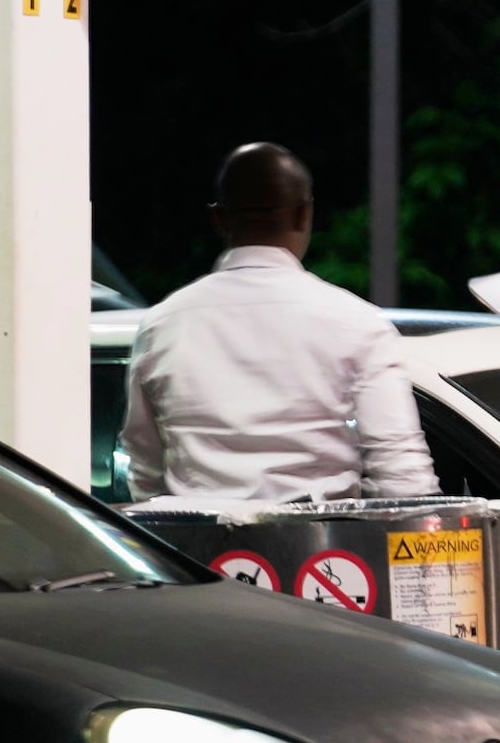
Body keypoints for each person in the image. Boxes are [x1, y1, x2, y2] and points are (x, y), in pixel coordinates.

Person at [122, 143, 437, 505]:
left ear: (219, 220)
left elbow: (144, 466)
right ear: (304, 214)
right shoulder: (357, 323)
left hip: (192, 555)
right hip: (326, 555)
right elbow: (402, 474)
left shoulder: (162, 325)